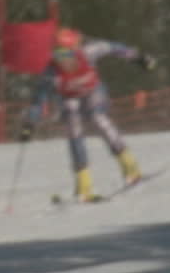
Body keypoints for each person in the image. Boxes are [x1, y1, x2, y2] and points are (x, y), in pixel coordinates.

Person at [18, 26, 157, 201]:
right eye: (59, 56)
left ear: (76, 50)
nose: (64, 60)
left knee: (100, 120)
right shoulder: (51, 73)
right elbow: (39, 101)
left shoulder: (89, 51)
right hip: (69, 99)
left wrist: (139, 58)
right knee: (74, 131)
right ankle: (84, 186)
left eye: (68, 54)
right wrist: (29, 124)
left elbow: (114, 48)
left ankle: (131, 169)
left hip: (92, 92)